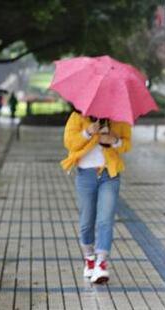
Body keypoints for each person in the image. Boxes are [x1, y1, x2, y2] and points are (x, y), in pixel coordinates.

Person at [61, 108, 131, 284]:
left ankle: (101, 263)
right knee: (86, 222)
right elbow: (70, 143)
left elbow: (126, 144)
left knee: (105, 220)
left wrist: (113, 140)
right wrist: (88, 132)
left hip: (110, 175)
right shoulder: (78, 117)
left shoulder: (118, 118)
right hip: (86, 175)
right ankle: (90, 258)